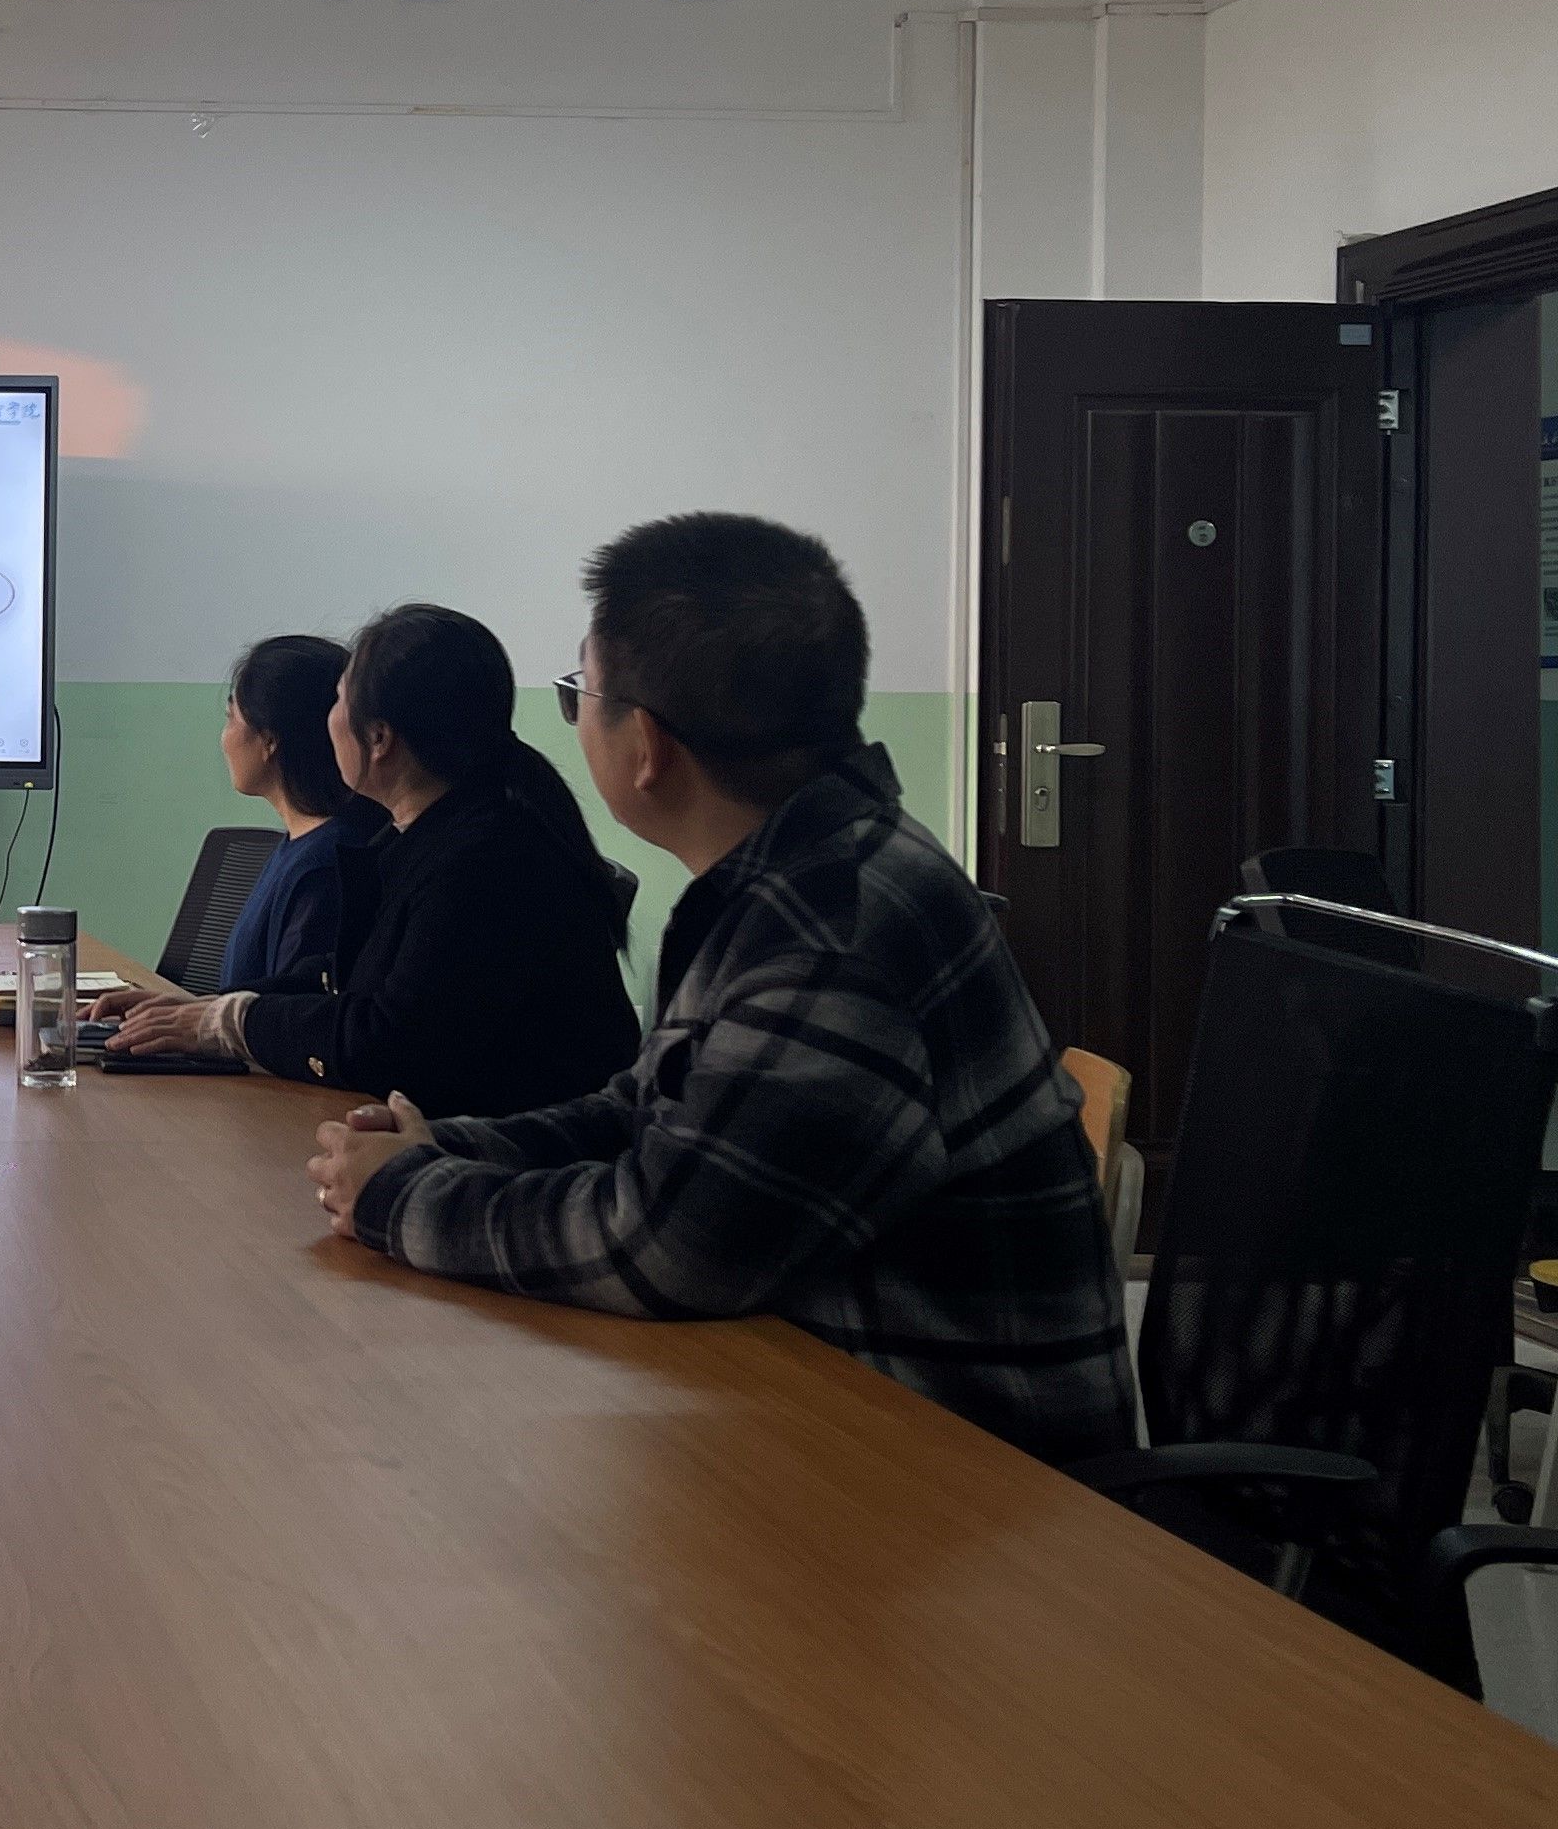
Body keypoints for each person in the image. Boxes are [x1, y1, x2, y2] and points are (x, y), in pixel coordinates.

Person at [306, 513, 1135, 1468]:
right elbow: (643, 1109)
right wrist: (451, 1144)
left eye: (579, 694)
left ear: (647, 747)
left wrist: (404, 1196)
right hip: (832, 1415)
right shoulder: (790, 873)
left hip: (967, 1481)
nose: (574, 722)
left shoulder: (830, 935)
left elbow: (670, 1246)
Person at [108, 603, 639, 1116]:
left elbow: (385, 1041)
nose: (327, 723)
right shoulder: (436, 833)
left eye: (338, 702)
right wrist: (208, 1011)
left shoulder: (483, 861)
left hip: (510, 1157)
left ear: (379, 738)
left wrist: (232, 1021)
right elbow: (344, 977)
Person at [94, 634, 385, 1012]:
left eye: (231, 718)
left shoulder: (325, 867)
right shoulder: (308, 845)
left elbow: (291, 1017)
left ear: (269, 741)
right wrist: (182, 1011)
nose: (225, 738)